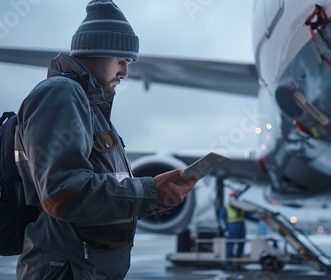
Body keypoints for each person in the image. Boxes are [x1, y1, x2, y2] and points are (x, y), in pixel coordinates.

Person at [13, 1, 197, 279]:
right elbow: (62, 194)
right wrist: (148, 190)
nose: (126, 72)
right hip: (66, 271)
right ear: (94, 52)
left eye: (129, 62)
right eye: (120, 60)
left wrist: (158, 199)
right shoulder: (61, 93)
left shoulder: (91, 109)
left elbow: (102, 202)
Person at [218, 191, 257, 271]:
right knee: (230, 246)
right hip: (231, 229)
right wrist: (225, 230)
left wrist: (259, 219)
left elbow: (249, 216)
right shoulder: (226, 208)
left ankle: (239, 265)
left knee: (241, 246)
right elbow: (221, 220)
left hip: (241, 228)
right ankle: (229, 264)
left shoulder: (241, 209)